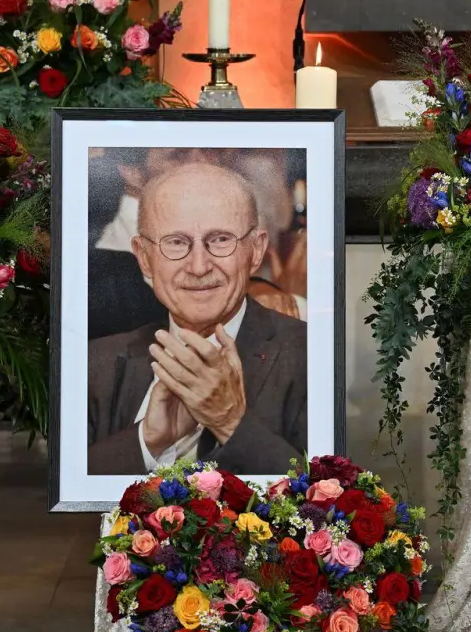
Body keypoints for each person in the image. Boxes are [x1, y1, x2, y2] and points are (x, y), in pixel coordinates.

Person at [86, 162, 307, 475]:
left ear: (255, 251)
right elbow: (70, 500)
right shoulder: (98, 365)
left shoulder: (308, 355)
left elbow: (324, 505)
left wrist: (229, 421)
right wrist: (148, 441)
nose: (199, 266)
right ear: (144, 258)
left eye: (220, 240)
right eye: (176, 242)